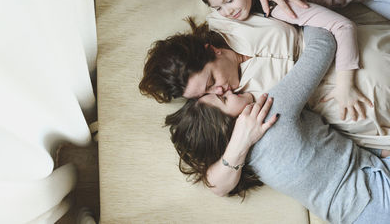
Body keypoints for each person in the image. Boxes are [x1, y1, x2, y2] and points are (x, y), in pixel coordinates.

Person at [165, 27, 390, 223]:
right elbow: (323, 43)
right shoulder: (270, 111)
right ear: (228, 123)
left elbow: (323, 153)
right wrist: (303, 10)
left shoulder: (247, 160)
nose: (227, 90)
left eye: (213, 85)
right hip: (373, 195)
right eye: (222, 98)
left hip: (357, 209)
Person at [139, 16, 390, 148]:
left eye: (211, 80)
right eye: (205, 94)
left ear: (211, 50)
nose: (219, 90)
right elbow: (216, 177)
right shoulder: (237, 106)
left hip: (350, 50)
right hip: (347, 107)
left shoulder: (227, 18)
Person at [196, 0, 390, 120]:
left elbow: (343, 26)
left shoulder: (278, 4)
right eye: (218, 8)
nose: (227, 11)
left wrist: (345, 86)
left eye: (229, 1)